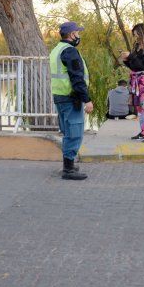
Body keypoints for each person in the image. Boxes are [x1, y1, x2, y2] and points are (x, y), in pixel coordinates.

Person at [50, 21, 92, 180]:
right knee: (74, 132)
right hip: (71, 98)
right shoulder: (70, 51)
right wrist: (86, 99)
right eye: (78, 33)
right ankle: (68, 170)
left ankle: (69, 164)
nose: (79, 36)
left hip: (60, 97)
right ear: (72, 34)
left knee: (68, 132)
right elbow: (77, 78)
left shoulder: (56, 50)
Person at [122, 23, 144, 142]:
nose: (135, 37)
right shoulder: (137, 46)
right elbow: (134, 65)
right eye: (134, 35)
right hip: (135, 80)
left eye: (136, 34)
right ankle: (143, 132)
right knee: (139, 109)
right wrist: (126, 60)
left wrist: (131, 56)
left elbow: (143, 65)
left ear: (142, 33)